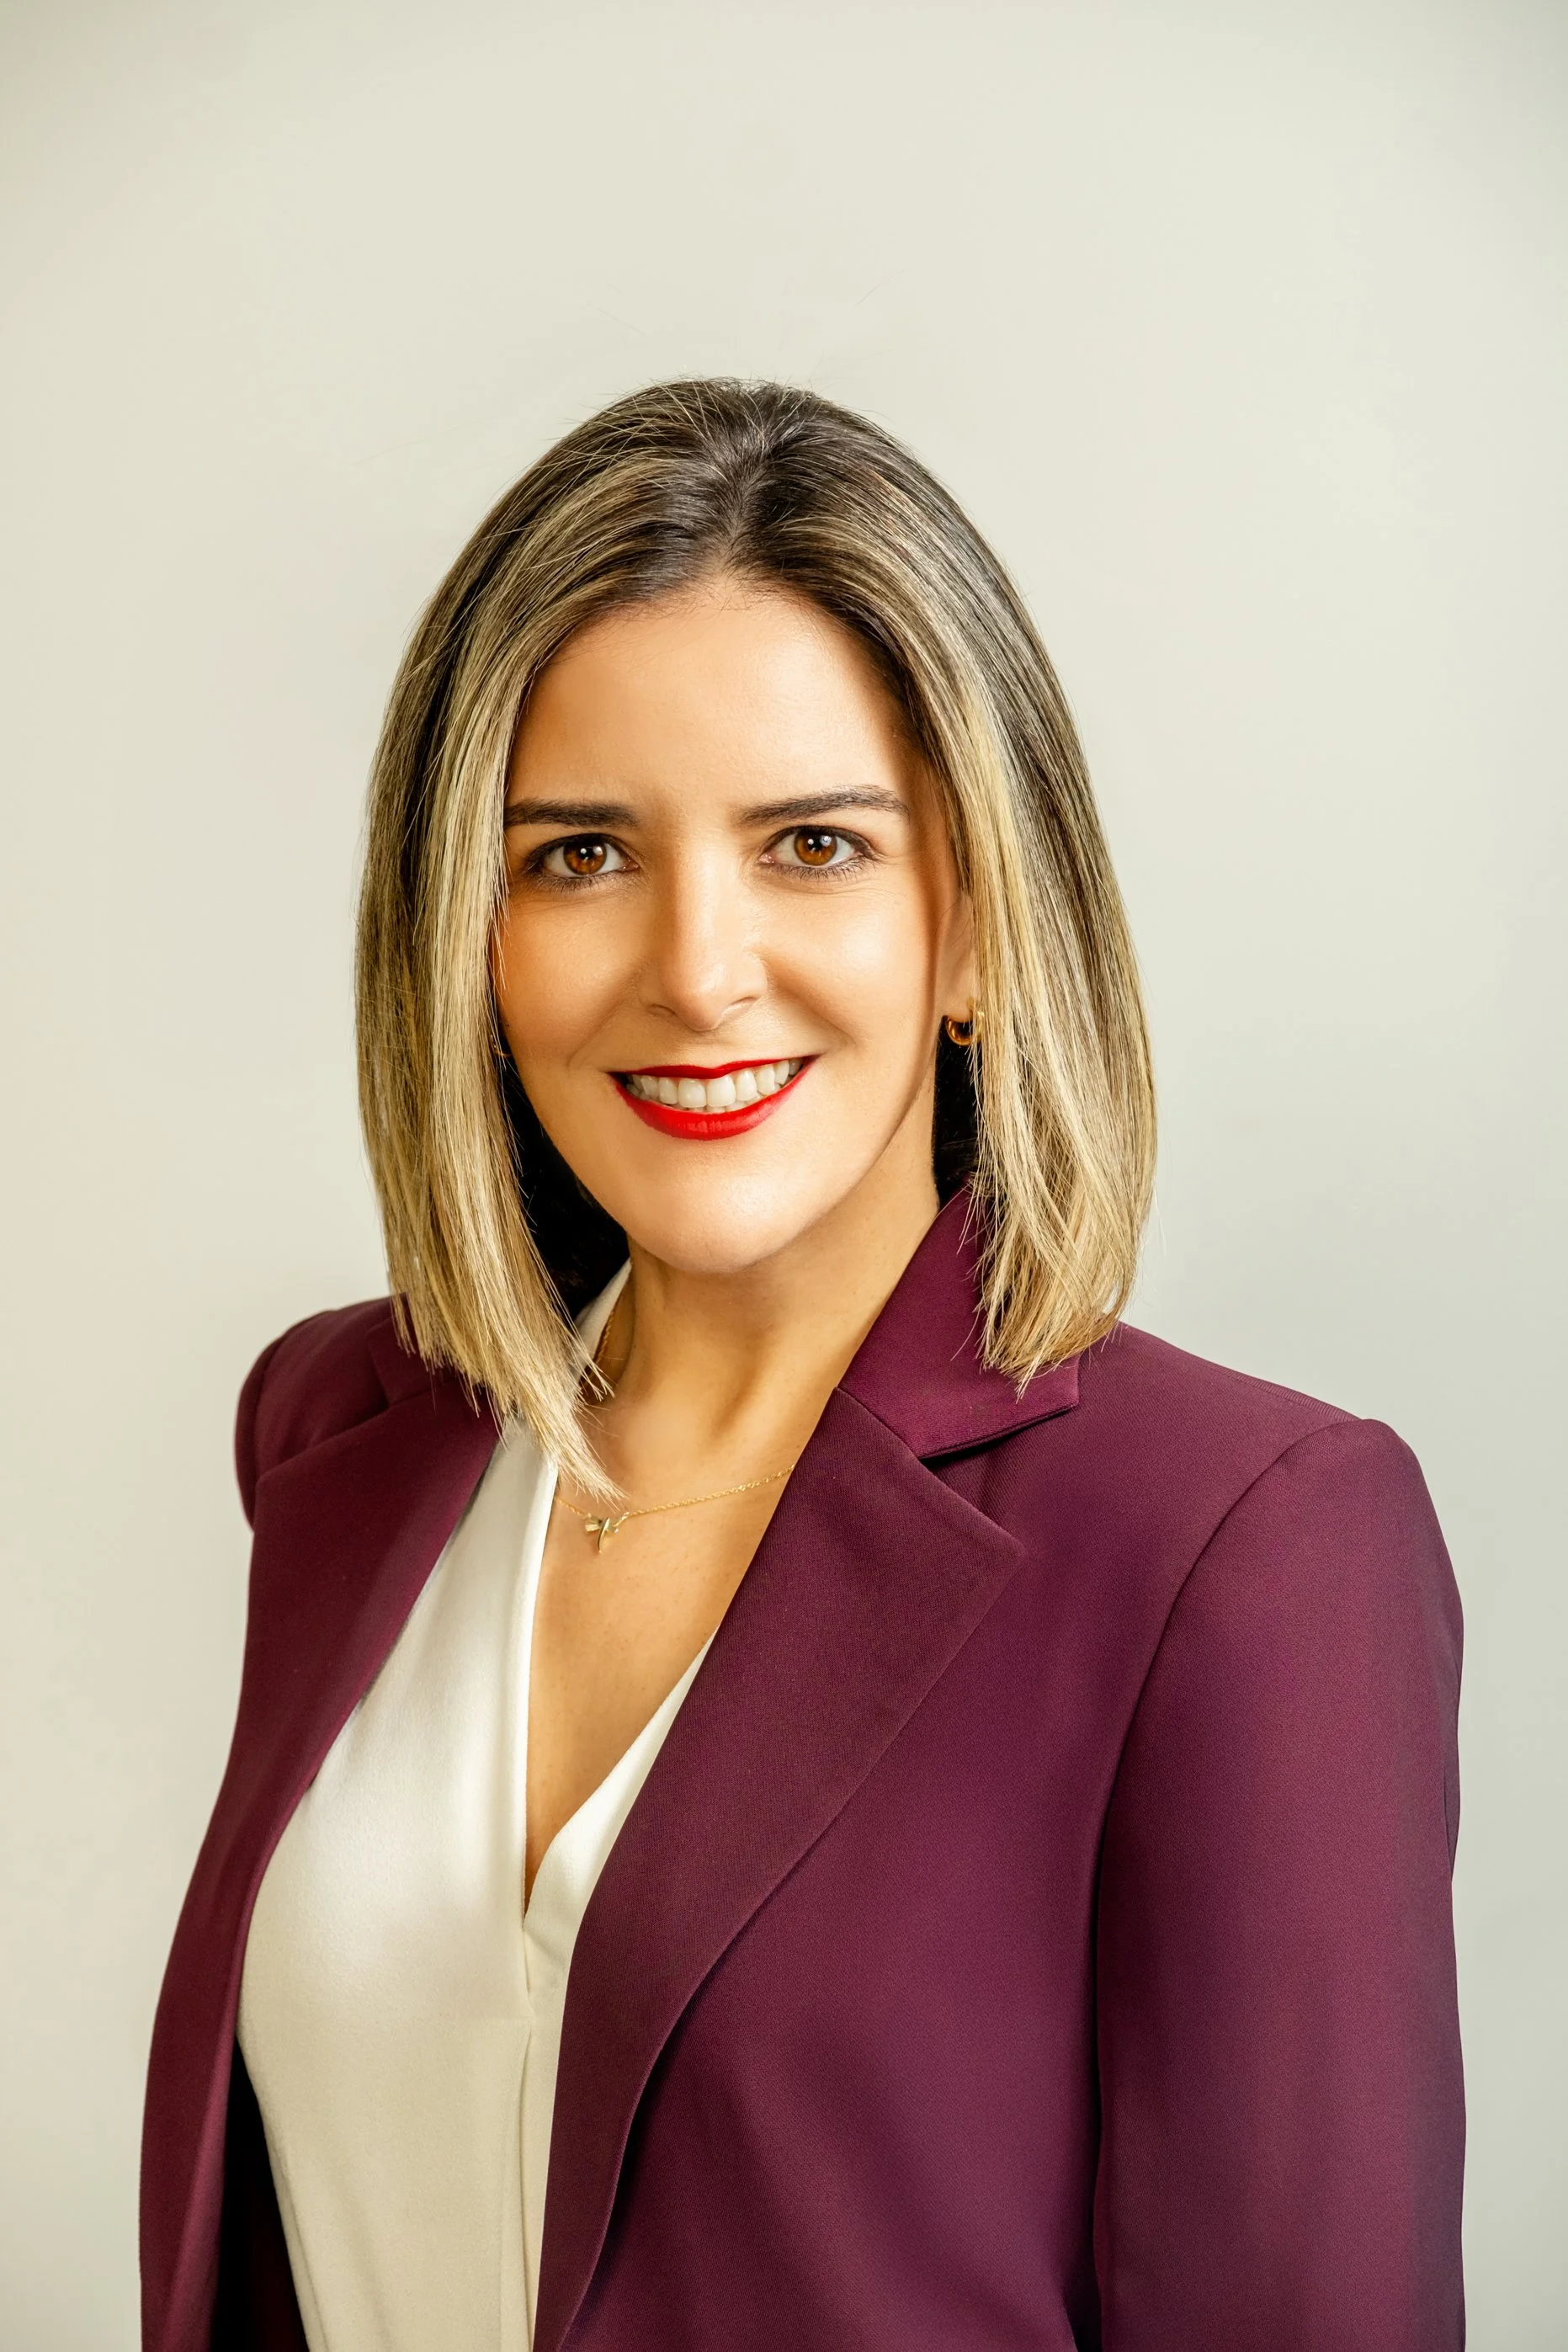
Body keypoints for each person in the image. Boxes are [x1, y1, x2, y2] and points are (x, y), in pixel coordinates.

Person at [141, 380, 1464, 2352]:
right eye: (580, 853)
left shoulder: (1242, 1550)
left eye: (813, 845)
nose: (695, 963)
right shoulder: (343, 1432)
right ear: (465, 931)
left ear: (978, 925)